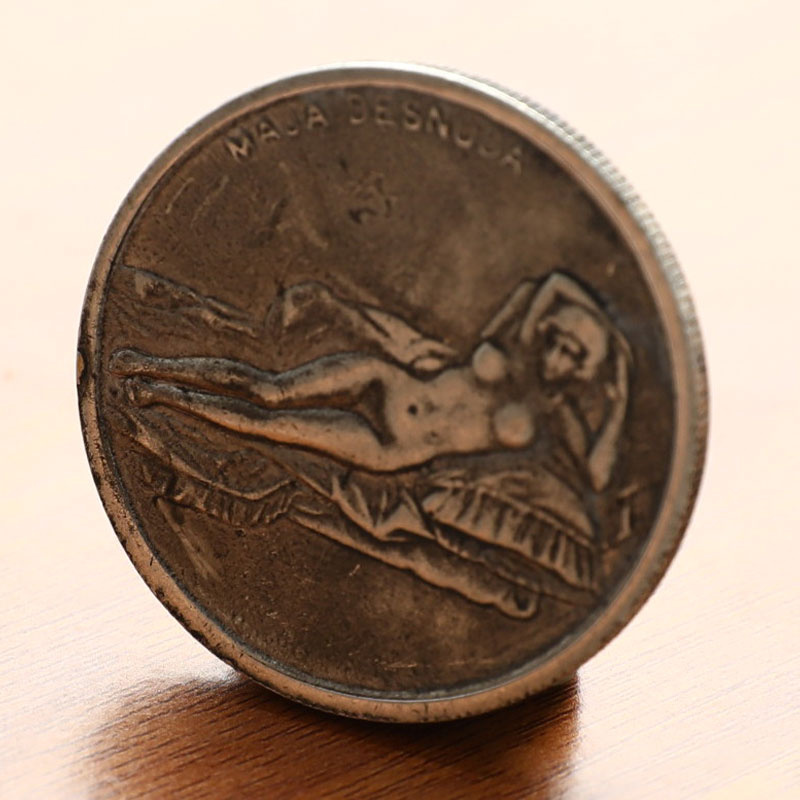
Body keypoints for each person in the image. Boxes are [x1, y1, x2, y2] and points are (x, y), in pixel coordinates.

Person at [110, 272, 629, 486]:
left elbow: (597, 477)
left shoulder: (556, 416)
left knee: (266, 428)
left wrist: (621, 393)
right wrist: (609, 334)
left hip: (394, 449)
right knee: (270, 390)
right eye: (559, 340)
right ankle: (151, 364)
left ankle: (160, 396)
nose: (558, 356)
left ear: (584, 369)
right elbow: (555, 284)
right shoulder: (512, 346)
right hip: (390, 384)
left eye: (574, 354)